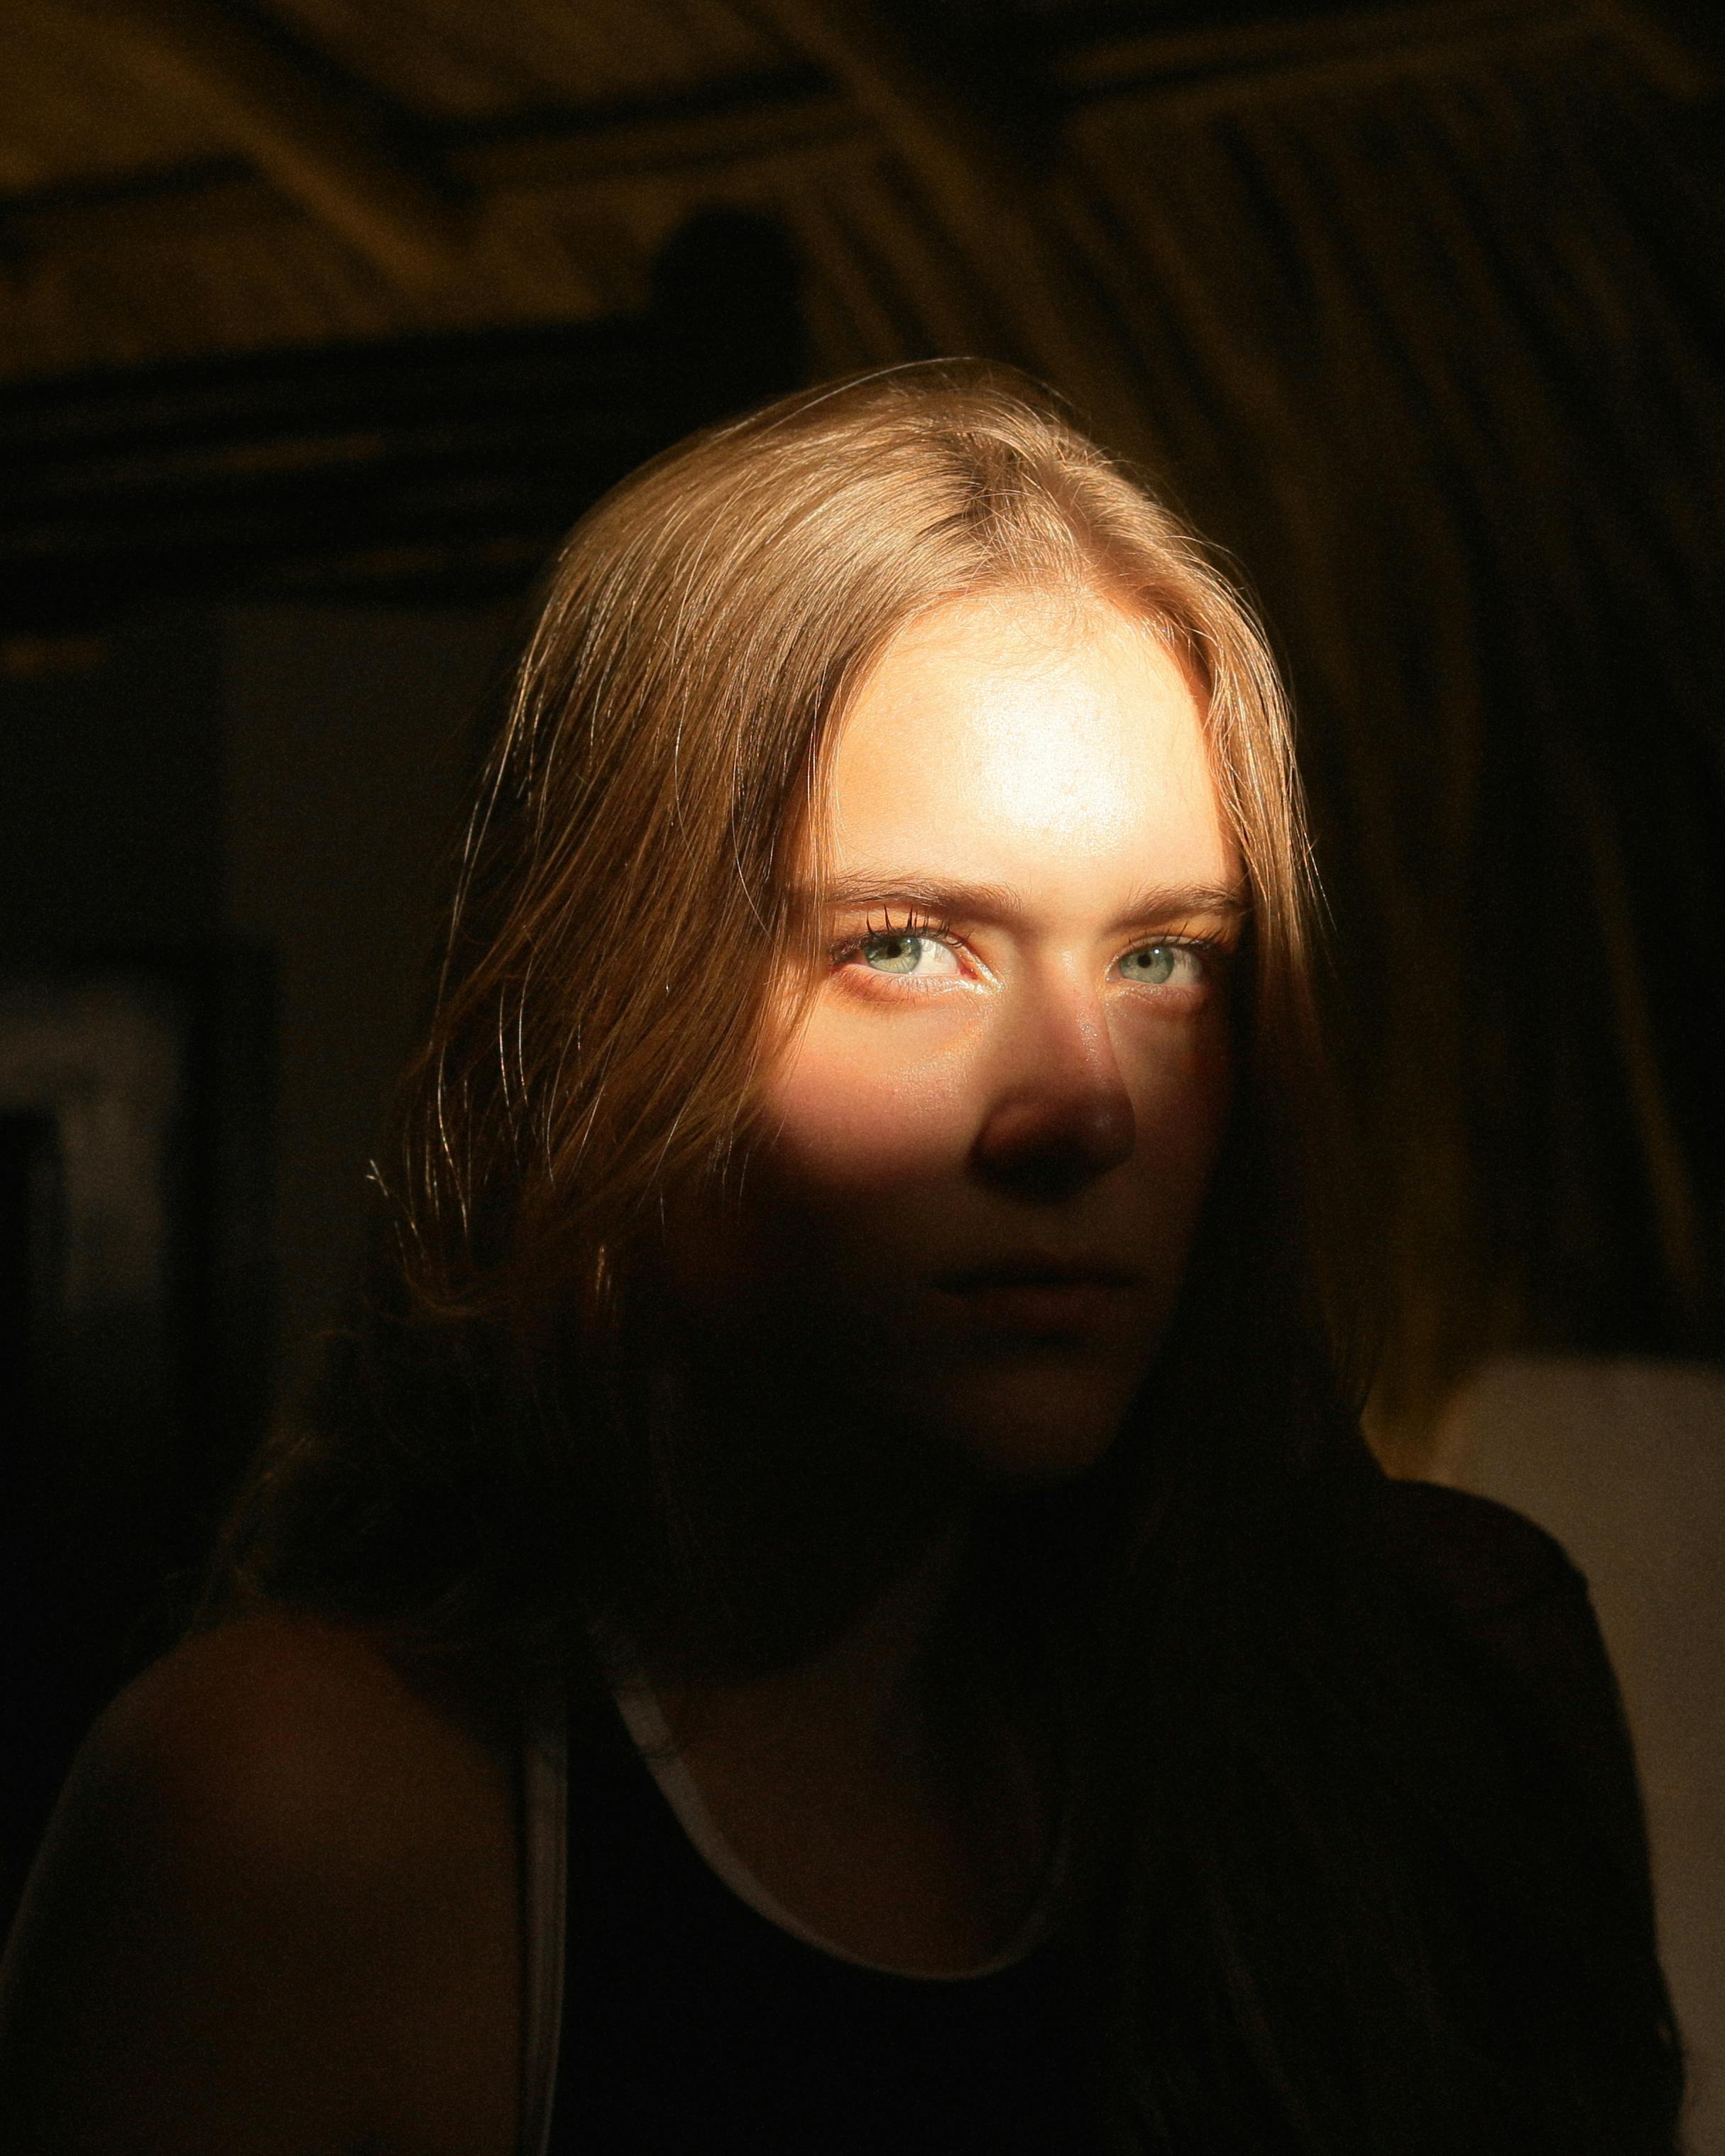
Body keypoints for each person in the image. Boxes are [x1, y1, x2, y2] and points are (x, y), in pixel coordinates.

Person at [0, 363, 1684, 2155]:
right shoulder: (308, 1828)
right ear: (598, 1002)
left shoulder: (1445, 1700)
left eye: (1165, 956)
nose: (1081, 1108)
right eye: (907, 942)